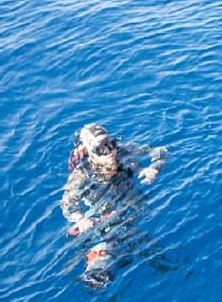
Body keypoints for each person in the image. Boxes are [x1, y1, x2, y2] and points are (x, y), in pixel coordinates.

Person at [60, 123, 167, 288]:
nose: (110, 151)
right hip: (103, 210)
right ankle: (97, 269)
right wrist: (80, 219)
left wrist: (154, 168)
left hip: (131, 200)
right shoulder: (82, 175)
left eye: (111, 144)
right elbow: (67, 203)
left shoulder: (124, 151)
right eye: (102, 149)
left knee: (135, 236)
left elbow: (161, 151)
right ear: (90, 152)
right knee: (115, 240)